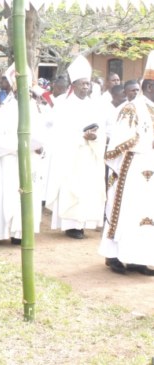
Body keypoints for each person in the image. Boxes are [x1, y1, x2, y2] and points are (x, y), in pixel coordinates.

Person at [99, 51, 154, 275]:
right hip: (131, 168)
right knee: (126, 211)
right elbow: (120, 140)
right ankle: (113, 256)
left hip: (149, 168)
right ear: (149, 87)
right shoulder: (133, 108)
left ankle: (138, 258)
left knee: (146, 213)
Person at [45, 55, 106, 239]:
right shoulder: (63, 104)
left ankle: (84, 223)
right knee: (72, 190)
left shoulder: (95, 104)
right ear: (74, 85)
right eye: (82, 84)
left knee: (88, 190)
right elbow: (58, 133)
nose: (86, 87)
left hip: (90, 154)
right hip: (71, 156)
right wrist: (81, 136)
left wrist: (95, 137)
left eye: (88, 84)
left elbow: (102, 129)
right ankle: (71, 226)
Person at [0, 75, 45, 245]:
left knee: (26, 198)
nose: (29, 95)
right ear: (15, 92)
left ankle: (21, 233)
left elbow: (44, 136)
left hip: (30, 161)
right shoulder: (6, 110)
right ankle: (1, 231)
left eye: (31, 92)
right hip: (9, 161)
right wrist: (23, 145)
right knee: (9, 197)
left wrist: (40, 146)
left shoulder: (36, 110)